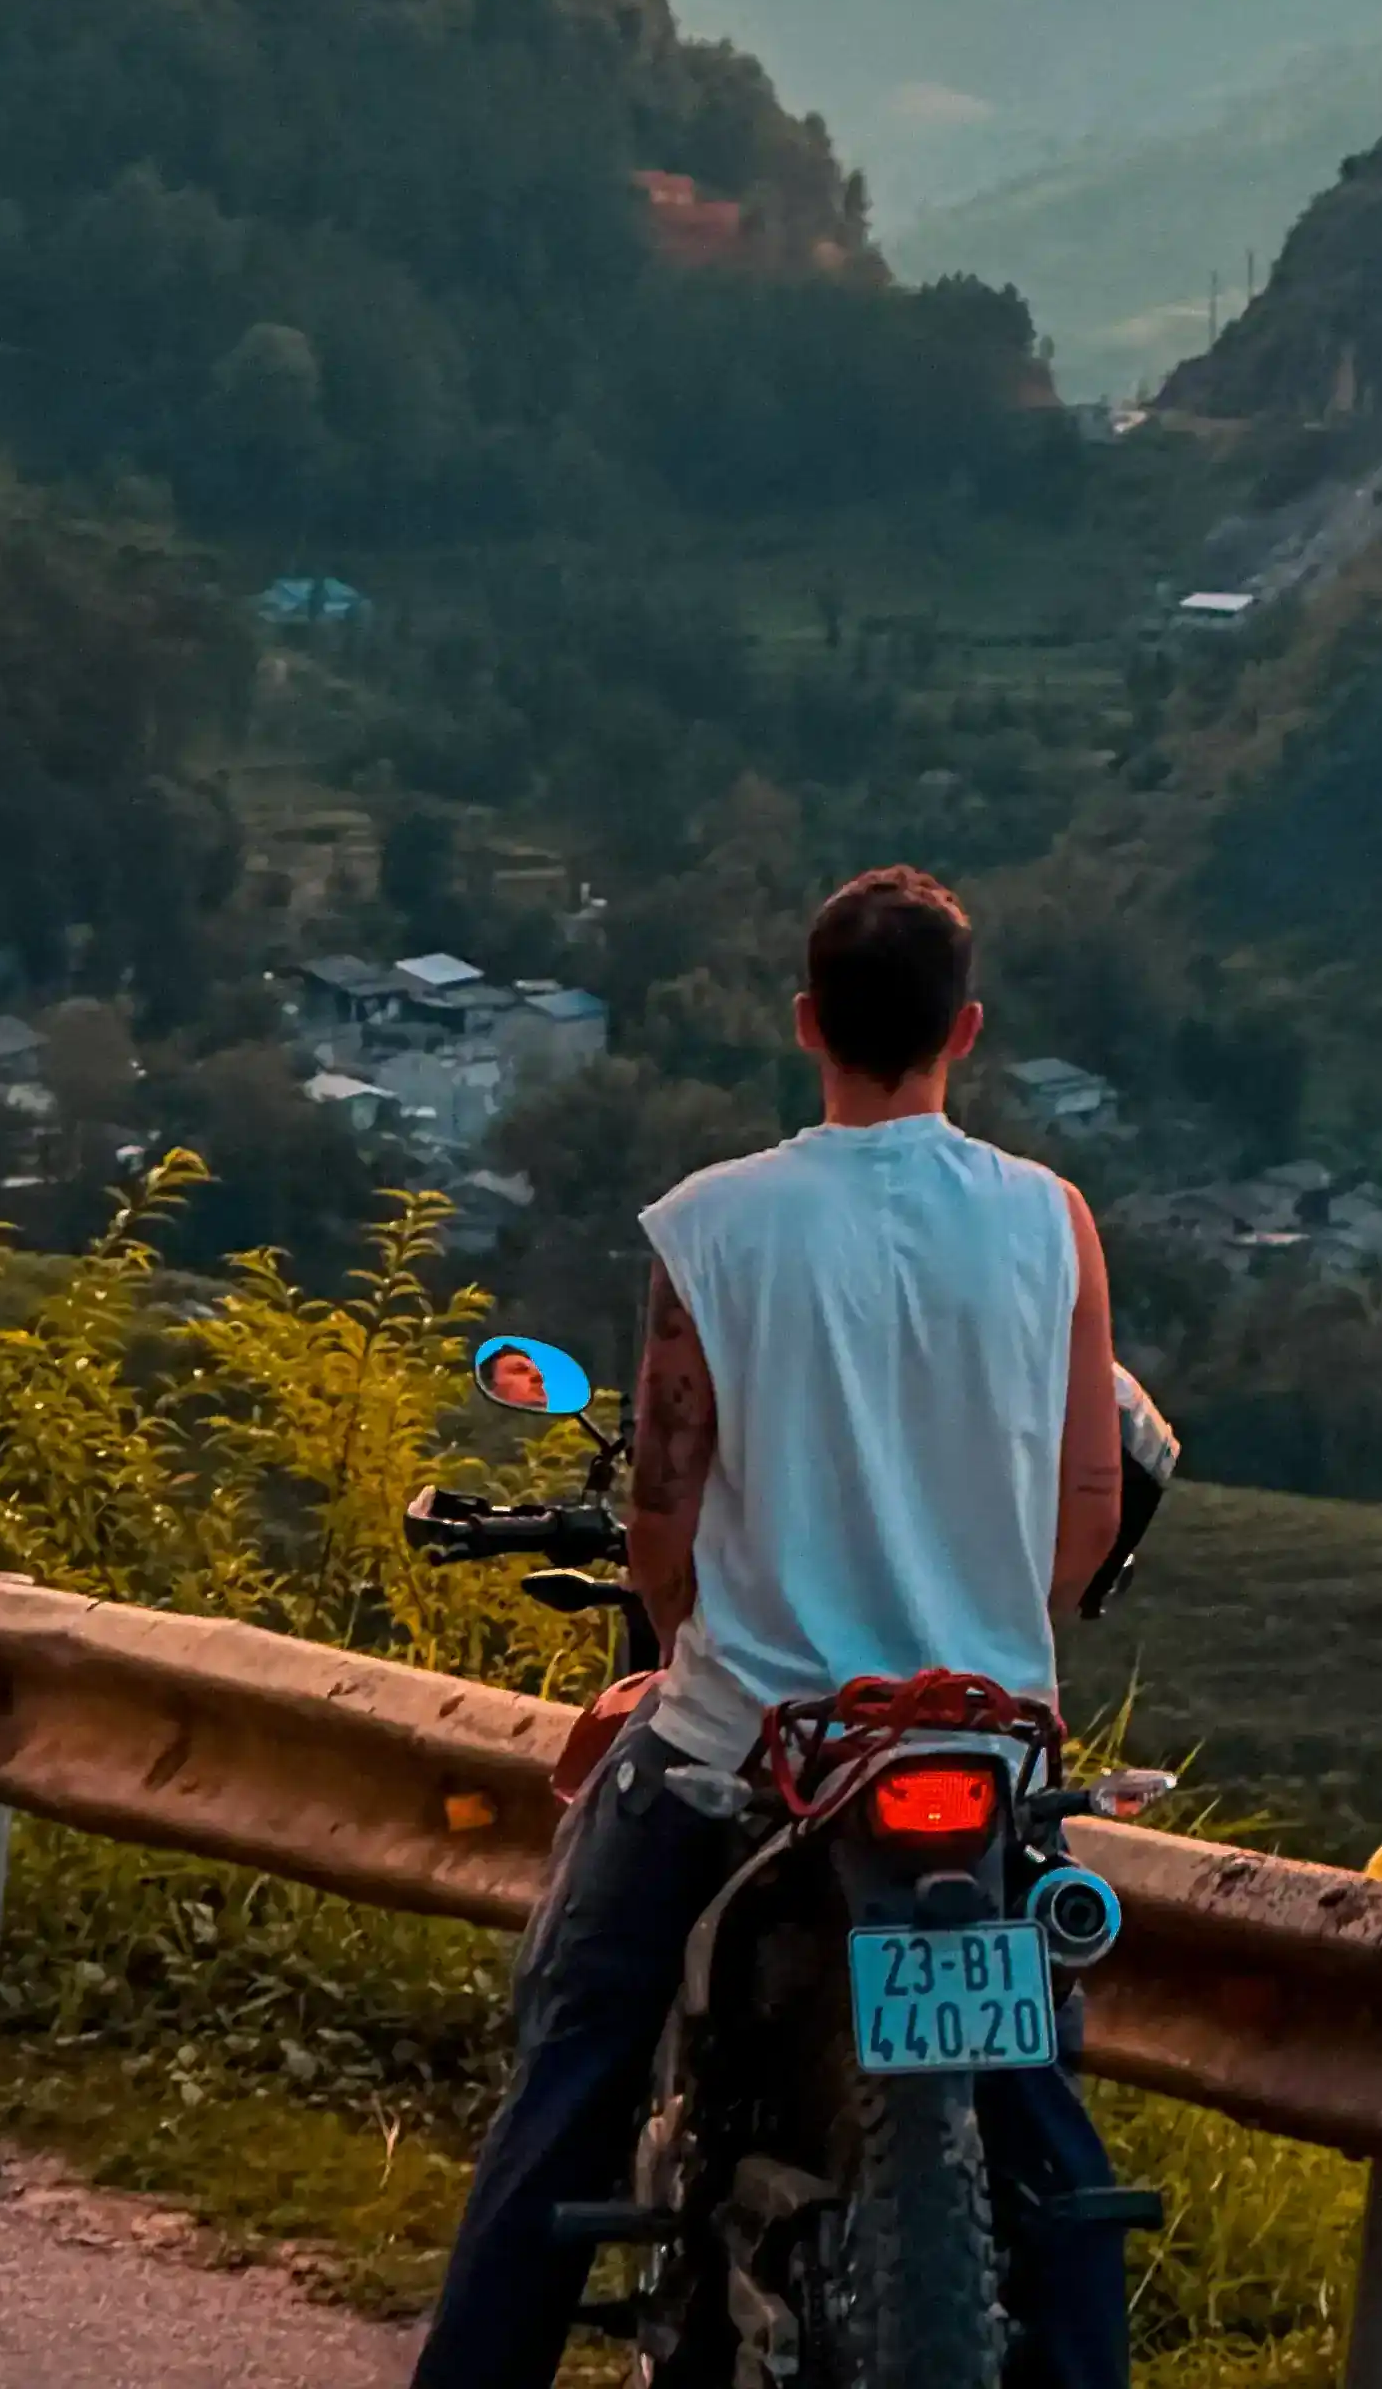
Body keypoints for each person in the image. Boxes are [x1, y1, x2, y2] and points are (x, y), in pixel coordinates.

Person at [412, 865, 1134, 2389]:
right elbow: (1083, 1516)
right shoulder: (1052, 1224)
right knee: (1043, 2122)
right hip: (983, 1741)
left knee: (575, 2056)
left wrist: (690, 1643)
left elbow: (663, 1522)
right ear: (968, 1030)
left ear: (807, 1021)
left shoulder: (714, 1228)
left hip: (757, 1740)